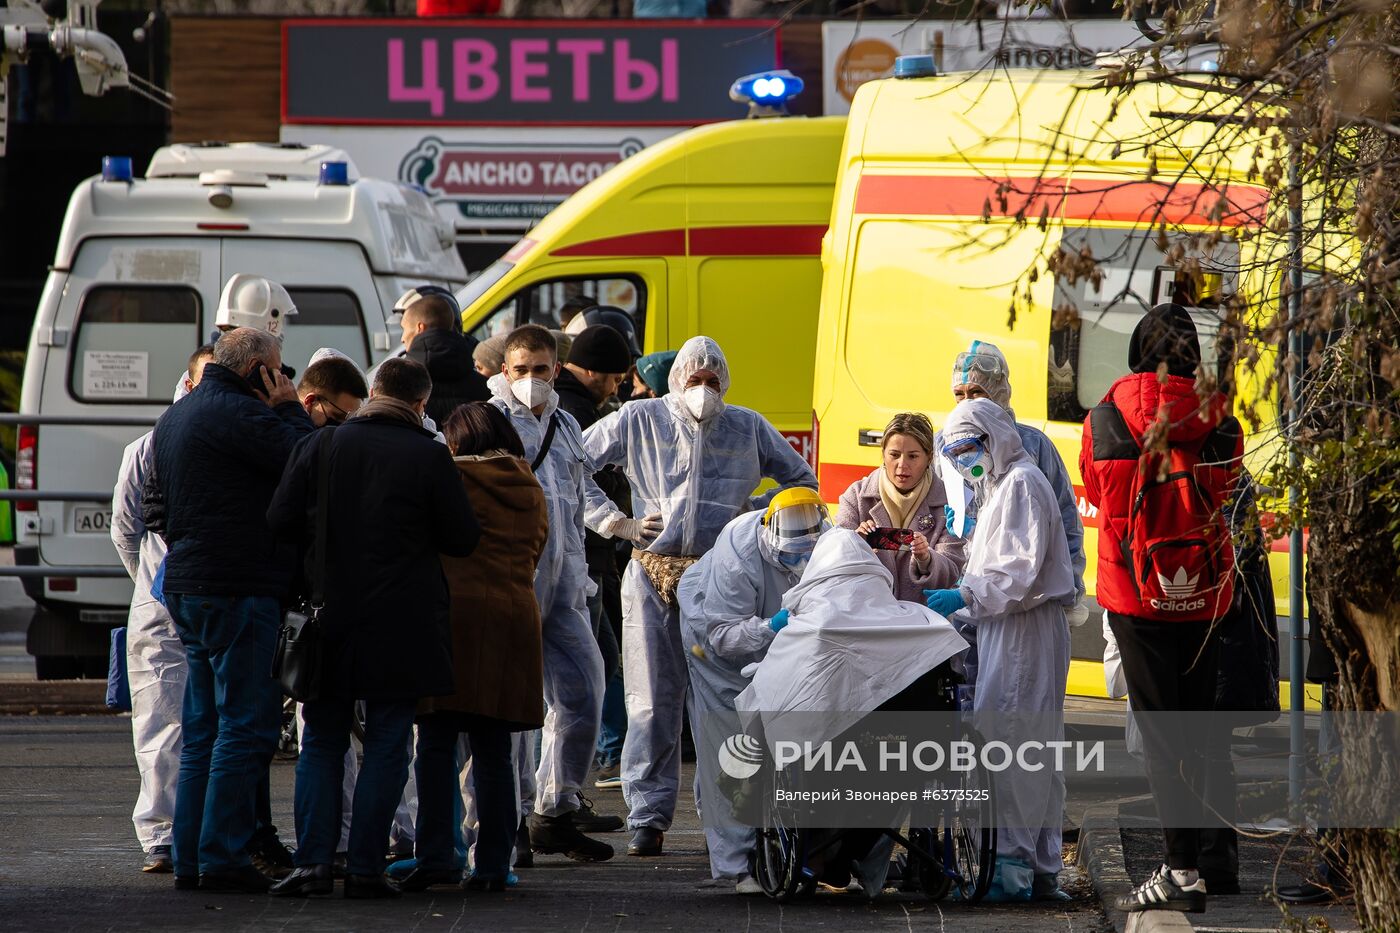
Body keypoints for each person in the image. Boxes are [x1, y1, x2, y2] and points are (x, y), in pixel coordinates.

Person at [582, 335, 817, 857]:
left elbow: (801, 481)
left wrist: (750, 514)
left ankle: (726, 810)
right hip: (651, 572)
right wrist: (615, 522)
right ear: (676, 381)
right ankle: (647, 815)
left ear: (726, 384)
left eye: (713, 382)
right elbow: (573, 464)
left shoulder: (747, 426)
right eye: (695, 381)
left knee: (726, 702)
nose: (704, 390)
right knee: (650, 699)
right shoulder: (638, 420)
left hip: (720, 579)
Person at [267, 357, 481, 899]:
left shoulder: (320, 446)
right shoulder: (429, 455)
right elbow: (461, 538)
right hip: (403, 622)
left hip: (327, 619)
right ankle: (365, 869)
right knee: (388, 744)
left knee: (321, 741)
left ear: (370, 395)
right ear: (421, 404)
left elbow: (279, 521)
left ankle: (314, 864)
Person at [1079, 303, 1243, 914]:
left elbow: (1099, 495)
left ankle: (1181, 870)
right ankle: (1192, 862)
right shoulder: (1223, 420)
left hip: (1135, 594)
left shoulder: (1104, 417)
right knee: (1197, 732)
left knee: (1160, 731)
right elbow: (1228, 489)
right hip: (1204, 595)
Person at [145, 327, 315, 891]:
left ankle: (192, 855)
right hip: (239, 587)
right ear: (260, 371)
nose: (285, 380)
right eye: (280, 370)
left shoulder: (179, 414)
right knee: (246, 727)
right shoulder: (243, 415)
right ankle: (221, 856)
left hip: (190, 587)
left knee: (204, 729)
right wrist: (291, 409)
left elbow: (156, 507)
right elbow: (305, 460)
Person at [926, 397, 1075, 902]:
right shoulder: (999, 487)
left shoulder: (1021, 485)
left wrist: (964, 596)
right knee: (1033, 748)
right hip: (1011, 627)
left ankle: (1011, 870)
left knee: (1013, 743)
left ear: (992, 437)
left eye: (970, 448)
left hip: (1022, 633)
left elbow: (1016, 573)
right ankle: (1038, 868)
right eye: (958, 452)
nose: (966, 460)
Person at [398, 402, 549, 894]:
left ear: (457, 440)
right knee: (494, 751)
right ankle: (492, 865)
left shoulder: (449, 478)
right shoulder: (531, 487)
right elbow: (539, 551)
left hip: (452, 620)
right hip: (512, 622)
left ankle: (438, 855)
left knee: (437, 745)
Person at [487, 324, 620, 862]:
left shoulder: (565, 423)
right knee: (515, 709)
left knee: (585, 692)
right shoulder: (488, 422)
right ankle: (509, 818)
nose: (532, 380)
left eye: (541, 369)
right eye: (521, 370)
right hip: (512, 585)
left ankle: (555, 808)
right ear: (504, 372)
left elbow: (583, 490)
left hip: (565, 587)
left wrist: (618, 525)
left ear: (556, 370)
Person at [680, 488, 829, 894]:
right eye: (791, 558)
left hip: (778, 631)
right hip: (713, 639)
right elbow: (724, 636)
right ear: (769, 540)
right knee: (727, 741)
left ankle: (732, 821)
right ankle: (733, 865)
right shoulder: (739, 551)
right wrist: (770, 627)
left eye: (806, 557)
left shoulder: (823, 537)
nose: (799, 564)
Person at [111, 344, 214, 874]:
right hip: (165, 604)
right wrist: (151, 584)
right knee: (160, 722)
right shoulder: (147, 448)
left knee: (200, 726)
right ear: (189, 382)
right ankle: (161, 835)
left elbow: (127, 535)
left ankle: (189, 833)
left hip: (177, 597)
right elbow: (125, 531)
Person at [947, 341, 1087, 622]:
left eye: (977, 392)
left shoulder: (1033, 447)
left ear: (1000, 392)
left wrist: (1069, 589)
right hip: (965, 596)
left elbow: (1065, 522)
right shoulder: (948, 445)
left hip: (1021, 605)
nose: (969, 403)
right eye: (960, 395)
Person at [555, 326, 633, 803]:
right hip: (584, 559)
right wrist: (617, 524)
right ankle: (597, 763)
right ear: (590, 372)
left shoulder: (577, 410)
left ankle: (579, 781)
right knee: (591, 666)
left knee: (596, 663)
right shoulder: (577, 415)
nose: (618, 386)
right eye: (613, 378)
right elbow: (578, 486)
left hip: (588, 558)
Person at [835, 412, 966, 602]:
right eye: (894, 455)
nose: (902, 465)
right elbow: (834, 563)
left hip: (922, 621)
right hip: (866, 616)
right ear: (883, 454)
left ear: (929, 458)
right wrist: (856, 544)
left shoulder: (949, 502)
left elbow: (952, 571)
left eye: (913, 456)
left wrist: (926, 559)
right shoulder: (856, 496)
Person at [401, 289, 489, 424]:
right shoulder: (486, 387)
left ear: (420, 328)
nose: (402, 338)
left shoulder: (397, 383)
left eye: (404, 329)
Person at [296, 354, 368, 427]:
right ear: (310, 401)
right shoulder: (287, 433)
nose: (346, 428)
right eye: (338, 417)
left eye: (351, 419)